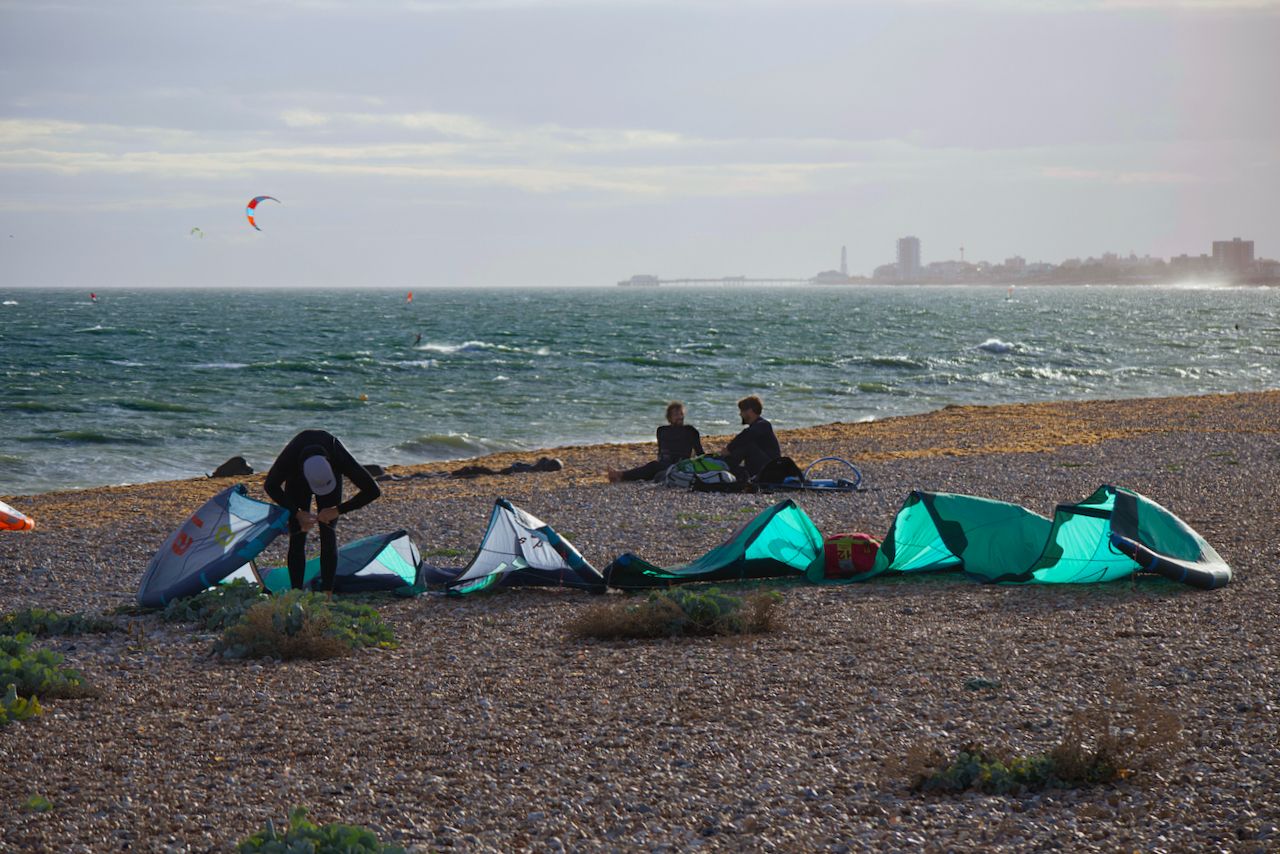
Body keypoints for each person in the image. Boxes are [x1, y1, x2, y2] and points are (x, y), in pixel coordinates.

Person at [263, 429, 381, 596]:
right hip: (297, 482)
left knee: (328, 530)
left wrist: (337, 510)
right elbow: (270, 485)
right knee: (297, 534)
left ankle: (327, 593)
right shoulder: (289, 458)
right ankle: (296, 593)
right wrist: (296, 513)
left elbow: (373, 490)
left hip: (329, 480)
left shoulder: (338, 454)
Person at [608, 401, 705, 483]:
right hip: (664, 464)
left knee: (653, 466)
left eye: (681, 414)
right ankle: (622, 476)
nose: (680, 417)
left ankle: (620, 475)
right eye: (676, 414)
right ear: (669, 418)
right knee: (654, 470)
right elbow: (661, 452)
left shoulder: (690, 431)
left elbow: (700, 454)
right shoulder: (662, 431)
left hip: (679, 466)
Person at [719, 394, 781, 483]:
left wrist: (729, 448)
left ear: (750, 411)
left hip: (770, 469)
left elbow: (747, 434)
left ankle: (725, 465)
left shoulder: (764, 424)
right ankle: (726, 465)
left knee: (748, 445)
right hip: (758, 467)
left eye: (742, 411)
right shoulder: (757, 426)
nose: (740, 414)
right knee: (745, 444)